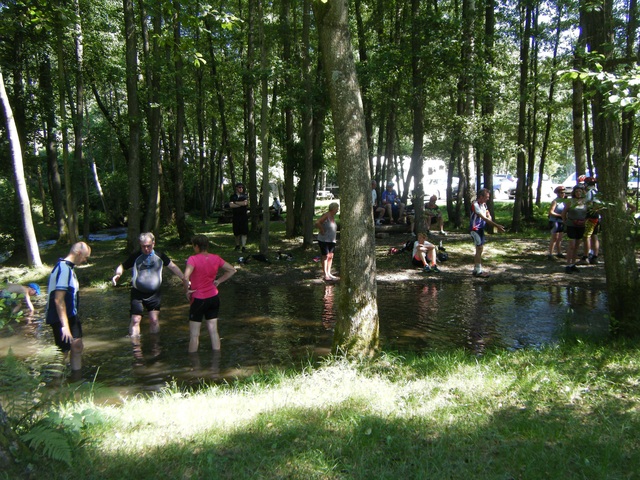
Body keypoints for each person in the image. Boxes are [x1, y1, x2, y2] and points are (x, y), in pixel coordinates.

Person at [112, 232, 186, 338]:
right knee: (135, 320)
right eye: (143, 246)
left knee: (154, 320)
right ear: (140, 244)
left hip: (154, 294)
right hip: (138, 293)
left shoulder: (160, 256)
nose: (146, 249)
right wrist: (118, 275)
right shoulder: (136, 256)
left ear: (154, 243)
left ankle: (155, 347)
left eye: (149, 246)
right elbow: (122, 266)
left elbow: (173, 267)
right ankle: (136, 348)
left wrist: (184, 279)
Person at [183, 234, 237, 353]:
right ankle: (216, 363)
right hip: (213, 298)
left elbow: (186, 277)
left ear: (196, 246)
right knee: (213, 331)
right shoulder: (216, 258)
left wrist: (186, 290)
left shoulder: (193, 259)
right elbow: (232, 270)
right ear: (207, 245)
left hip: (198, 299)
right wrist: (218, 281)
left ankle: (193, 365)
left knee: (194, 335)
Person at [45, 242, 91, 373]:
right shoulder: (63, 269)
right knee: (63, 353)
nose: (85, 260)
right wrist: (64, 326)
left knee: (77, 346)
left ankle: (76, 379)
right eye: (85, 257)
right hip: (60, 318)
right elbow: (58, 299)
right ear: (78, 253)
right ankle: (55, 385)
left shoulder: (68, 269)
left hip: (71, 315)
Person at [470, 188, 506, 277]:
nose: (488, 199)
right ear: (481, 196)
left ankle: (476, 269)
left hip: (481, 229)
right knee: (479, 248)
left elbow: (487, 214)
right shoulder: (475, 205)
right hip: (475, 229)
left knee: (480, 248)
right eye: (486, 197)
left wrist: (490, 217)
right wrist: (496, 226)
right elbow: (483, 218)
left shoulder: (484, 205)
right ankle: (478, 271)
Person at [562, 184, 588, 273]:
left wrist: (585, 221)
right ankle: (568, 265)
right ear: (574, 192)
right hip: (571, 224)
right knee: (572, 245)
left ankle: (573, 264)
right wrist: (565, 221)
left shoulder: (586, 202)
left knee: (577, 245)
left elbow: (589, 213)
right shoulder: (570, 202)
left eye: (580, 191)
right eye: (576, 191)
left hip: (581, 225)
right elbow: (564, 213)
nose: (578, 193)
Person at [315, 202, 339, 281]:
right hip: (324, 239)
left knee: (331, 256)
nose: (337, 210)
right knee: (325, 256)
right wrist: (322, 230)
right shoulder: (326, 215)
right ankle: (325, 274)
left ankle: (329, 272)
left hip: (332, 240)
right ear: (333, 209)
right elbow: (317, 222)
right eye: (337, 208)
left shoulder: (333, 217)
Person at [581, 177, 601, 264]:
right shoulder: (597, 192)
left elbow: (587, 204)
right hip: (597, 217)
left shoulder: (589, 193)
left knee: (586, 237)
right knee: (594, 235)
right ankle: (595, 256)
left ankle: (586, 257)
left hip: (590, 217)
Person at [547, 186, 567, 259]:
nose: (563, 194)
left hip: (561, 221)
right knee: (554, 237)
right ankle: (550, 254)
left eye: (564, 192)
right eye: (561, 193)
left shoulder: (564, 202)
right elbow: (551, 212)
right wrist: (560, 215)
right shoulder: (555, 201)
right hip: (554, 221)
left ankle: (559, 252)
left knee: (560, 238)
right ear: (558, 193)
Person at [230, 182, 249, 251]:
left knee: (244, 232)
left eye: (242, 187)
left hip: (243, 216)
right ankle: (237, 245)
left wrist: (235, 202)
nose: (241, 189)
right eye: (239, 187)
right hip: (236, 216)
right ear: (236, 188)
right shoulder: (233, 196)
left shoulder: (245, 196)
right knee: (236, 232)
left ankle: (243, 246)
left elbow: (245, 203)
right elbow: (231, 205)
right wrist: (240, 204)